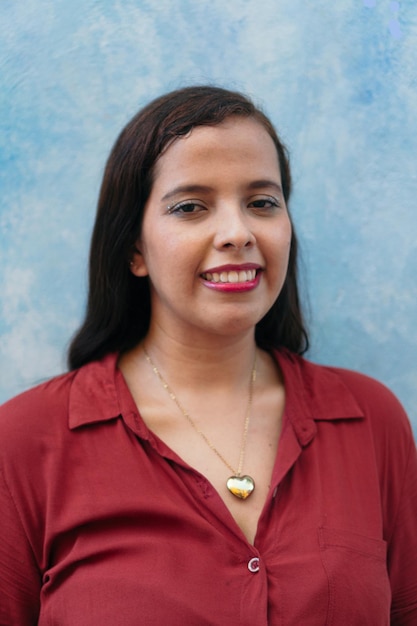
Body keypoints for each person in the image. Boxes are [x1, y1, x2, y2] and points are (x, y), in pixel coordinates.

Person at [0, 85, 416, 625]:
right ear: (133, 249)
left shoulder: (369, 418)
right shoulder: (27, 440)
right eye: (191, 207)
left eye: (262, 202)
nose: (238, 233)